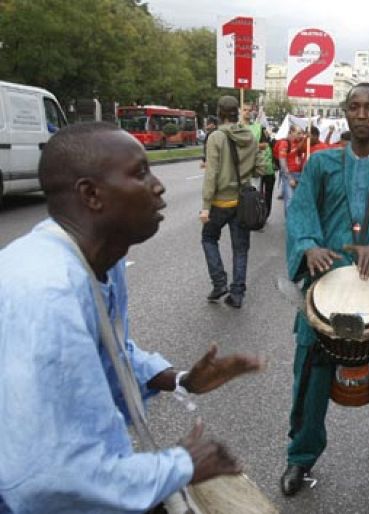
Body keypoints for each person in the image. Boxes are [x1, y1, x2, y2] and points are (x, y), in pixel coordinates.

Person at [0, 122, 264, 513]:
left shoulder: (100, 258)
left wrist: (181, 380)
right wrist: (182, 464)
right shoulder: (46, 295)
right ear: (91, 195)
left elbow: (109, 353)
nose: (158, 186)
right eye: (140, 173)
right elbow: (47, 479)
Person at [280, 83, 369, 502]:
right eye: (355, 107)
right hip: (325, 291)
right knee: (308, 379)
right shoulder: (321, 165)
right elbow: (301, 212)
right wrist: (308, 246)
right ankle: (300, 457)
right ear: (345, 112)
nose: (361, 114)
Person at [200, 96, 263, 309]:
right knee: (241, 249)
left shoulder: (216, 137)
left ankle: (219, 283)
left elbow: (211, 175)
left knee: (208, 238)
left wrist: (206, 207)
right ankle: (237, 294)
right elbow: (260, 169)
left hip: (220, 202)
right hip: (243, 202)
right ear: (237, 112)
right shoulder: (249, 136)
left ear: (219, 112)